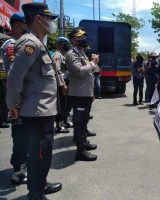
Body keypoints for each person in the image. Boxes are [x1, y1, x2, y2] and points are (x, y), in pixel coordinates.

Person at [6, 3, 62, 199]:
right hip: (36, 112)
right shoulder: (29, 43)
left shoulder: (38, 42)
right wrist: (13, 105)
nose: (51, 23)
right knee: (39, 155)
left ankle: (40, 185)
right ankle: (35, 194)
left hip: (43, 111)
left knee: (44, 153)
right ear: (39, 19)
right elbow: (14, 78)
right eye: (49, 19)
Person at [1, 12, 28, 185]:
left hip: (22, 97)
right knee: (20, 136)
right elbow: (15, 75)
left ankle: (22, 166)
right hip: (19, 98)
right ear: (17, 26)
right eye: (26, 25)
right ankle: (18, 171)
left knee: (24, 135)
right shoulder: (12, 45)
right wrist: (16, 104)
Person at [66, 27, 99, 161]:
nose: (83, 39)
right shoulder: (71, 54)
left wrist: (93, 63)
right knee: (79, 122)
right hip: (79, 94)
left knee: (84, 120)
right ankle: (80, 151)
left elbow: (94, 71)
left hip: (86, 92)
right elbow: (80, 71)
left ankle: (84, 142)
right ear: (74, 40)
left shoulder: (82, 53)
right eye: (80, 37)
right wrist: (92, 63)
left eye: (84, 36)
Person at [52, 36, 71, 133]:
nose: (67, 46)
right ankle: (59, 125)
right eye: (65, 44)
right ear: (60, 44)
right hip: (61, 82)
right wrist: (62, 85)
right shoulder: (57, 55)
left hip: (66, 81)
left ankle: (65, 121)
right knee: (61, 104)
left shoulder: (64, 55)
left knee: (66, 103)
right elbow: (57, 70)